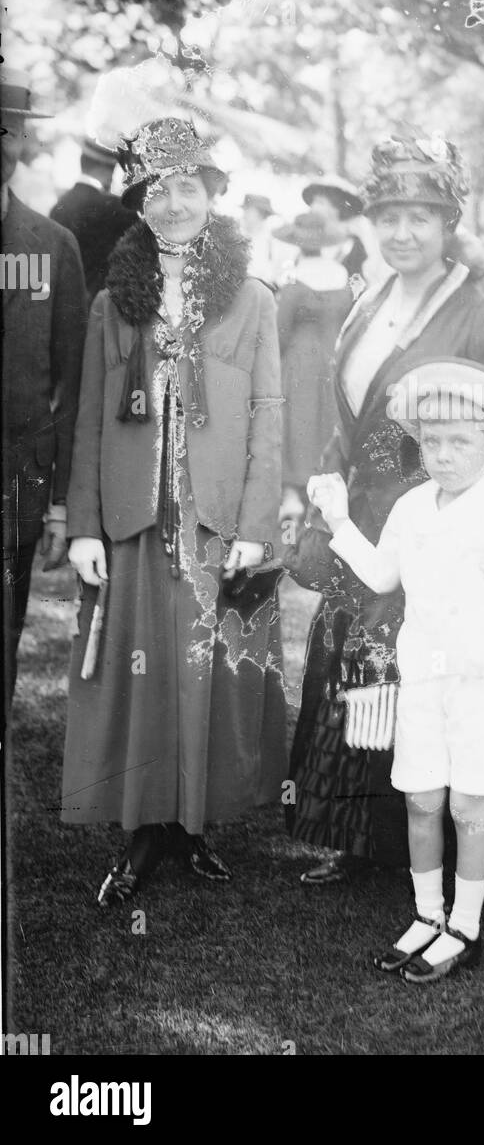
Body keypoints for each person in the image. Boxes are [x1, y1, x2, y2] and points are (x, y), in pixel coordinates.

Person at [286, 130, 484, 884]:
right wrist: (327, 487)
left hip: (448, 527)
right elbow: (346, 415)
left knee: (439, 680)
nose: (403, 231)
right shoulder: (365, 303)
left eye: (421, 217)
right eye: (390, 216)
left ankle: (466, 850)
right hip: (370, 521)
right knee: (365, 677)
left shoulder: (481, 312)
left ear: (448, 225)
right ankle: (362, 834)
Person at [61, 116, 288, 906]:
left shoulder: (253, 299)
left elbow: (268, 413)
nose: (175, 202)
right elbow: (90, 416)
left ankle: (193, 825)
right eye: (159, 189)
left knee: (204, 673)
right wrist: (84, 524)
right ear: (139, 200)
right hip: (132, 520)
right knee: (139, 673)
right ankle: (139, 831)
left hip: (213, 520)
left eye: (189, 187)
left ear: (214, 195)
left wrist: (257, 525)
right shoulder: (113, 302)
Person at [308, 360, 484, 981]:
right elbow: (382, 577)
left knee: (468, 807)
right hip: (422, 677)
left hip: (481, 683)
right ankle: (427, 915)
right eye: (431, 442)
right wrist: (342, 524)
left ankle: (466, 924)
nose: (444, 455)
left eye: (460, 442)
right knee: (423, 799)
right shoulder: (411, 506)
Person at [1, 67, 87, 723]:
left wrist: (60, 503)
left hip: (16, 480)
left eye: (10, 130)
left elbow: (73, 382)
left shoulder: (52, 247)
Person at [277, 210, 352, 524]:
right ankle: (324, 483)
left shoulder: (295, 276)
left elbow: (281, 329)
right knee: (325, 419)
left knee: (297, 420)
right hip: (333, 357)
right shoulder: (341, 274)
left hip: (299, 360)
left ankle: (293, 491)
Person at [50, 137, 136, 305]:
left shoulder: (59, 207)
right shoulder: (116, 209)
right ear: (108, 168)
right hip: (100, 310)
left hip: (63, 306)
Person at [240, 191, 294, 287]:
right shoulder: (238, 236)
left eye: (248, 210)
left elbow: (287, 270)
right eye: (244, 210)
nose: (244, 215)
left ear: (261, 214)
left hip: (269, 291)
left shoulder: (274, 240)